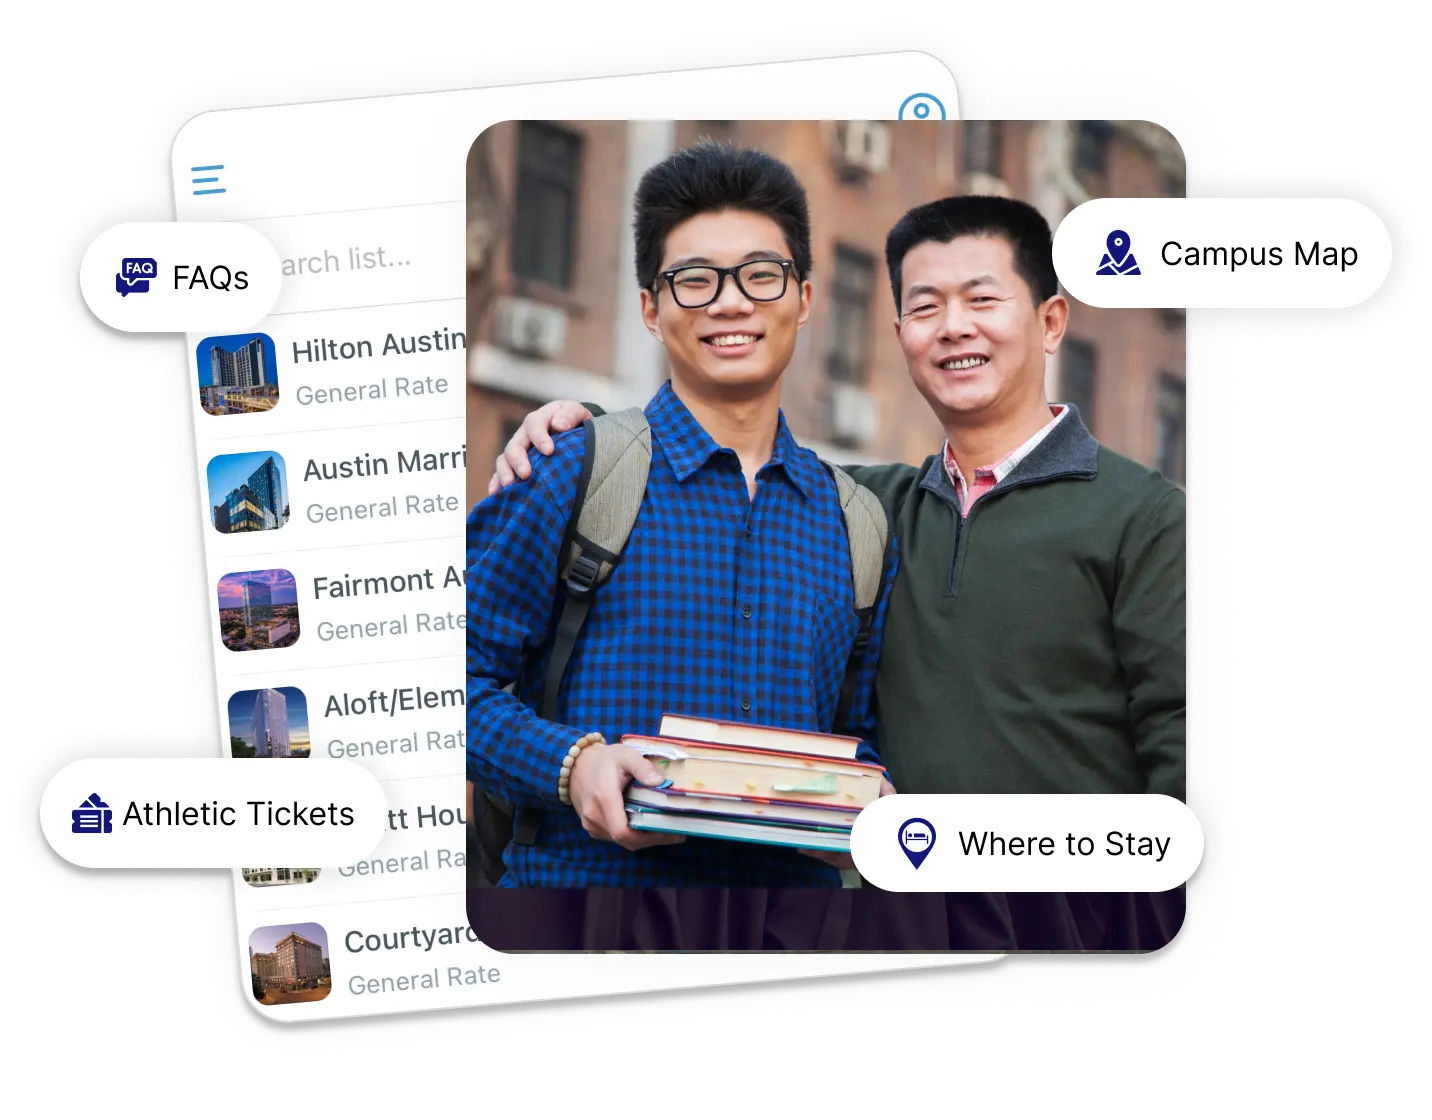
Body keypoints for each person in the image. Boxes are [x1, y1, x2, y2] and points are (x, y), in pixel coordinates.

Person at [493, 195, 1188, 951]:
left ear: (1051, 322)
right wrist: (579, 425)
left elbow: (1188, 747)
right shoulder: (870, 508)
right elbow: (730, 465)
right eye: (926, 307)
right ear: (901, 336)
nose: (954, 326)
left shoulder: (1145, 517)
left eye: (982, 299)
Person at [465, 141, 899, 903]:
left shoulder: (857, 523)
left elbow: (857, 729)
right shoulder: (575, 470)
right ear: (650, 309)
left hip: (783, 947)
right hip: (584, 934)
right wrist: (573, 766)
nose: (730, 303)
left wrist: (864, 798)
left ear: (804, 297)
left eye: (761, 276)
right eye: (694, 280)